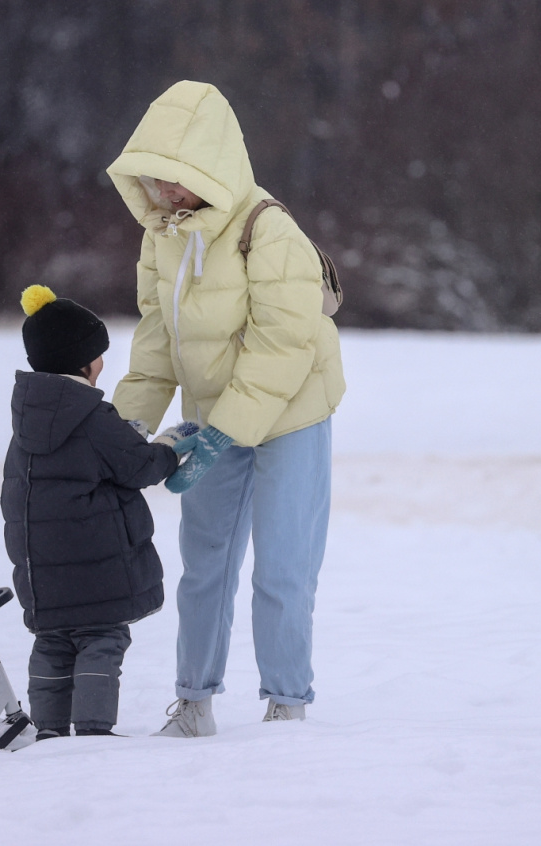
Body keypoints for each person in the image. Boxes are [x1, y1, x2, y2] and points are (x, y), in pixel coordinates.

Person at [105, 80, 346, 736]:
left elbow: (282, 348)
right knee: (204, 565)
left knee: (283, 568)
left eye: (177, 176)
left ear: (211, 166)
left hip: (293, 413)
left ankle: (286, 704)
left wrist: (221, 436)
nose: (164, 191)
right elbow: (158, 337)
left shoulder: (270, 231)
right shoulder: (162, 237)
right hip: (214, 411)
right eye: (154, 177)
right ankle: (193, 704)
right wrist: (125, 427)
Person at [1, 284, 183, 739]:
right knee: (101, 641)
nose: (102, 361)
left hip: (41, 569)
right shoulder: (93, 416)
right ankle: (94, 731)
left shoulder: (27, 420)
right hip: (95, 566)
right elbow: (138, 466)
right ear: (83, 361)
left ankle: (48, 730)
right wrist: (169, 447)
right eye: (99, 354)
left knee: (53, 645)